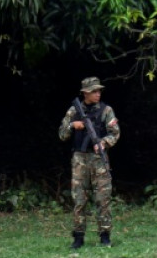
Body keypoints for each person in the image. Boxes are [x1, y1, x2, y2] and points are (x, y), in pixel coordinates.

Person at [58, 76, 120, 249]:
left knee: (103, 198)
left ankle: (105, 236)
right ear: (85, 93)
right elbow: (62, 134)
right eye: (94, 91)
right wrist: (73, 125)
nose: (98, 94)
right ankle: (78, 237)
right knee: (79, 199)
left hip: (99, 160)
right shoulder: (74, 111)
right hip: (79, 159)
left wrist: (103, 142)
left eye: (99, 90)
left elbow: (115, 133)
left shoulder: (106, 110)